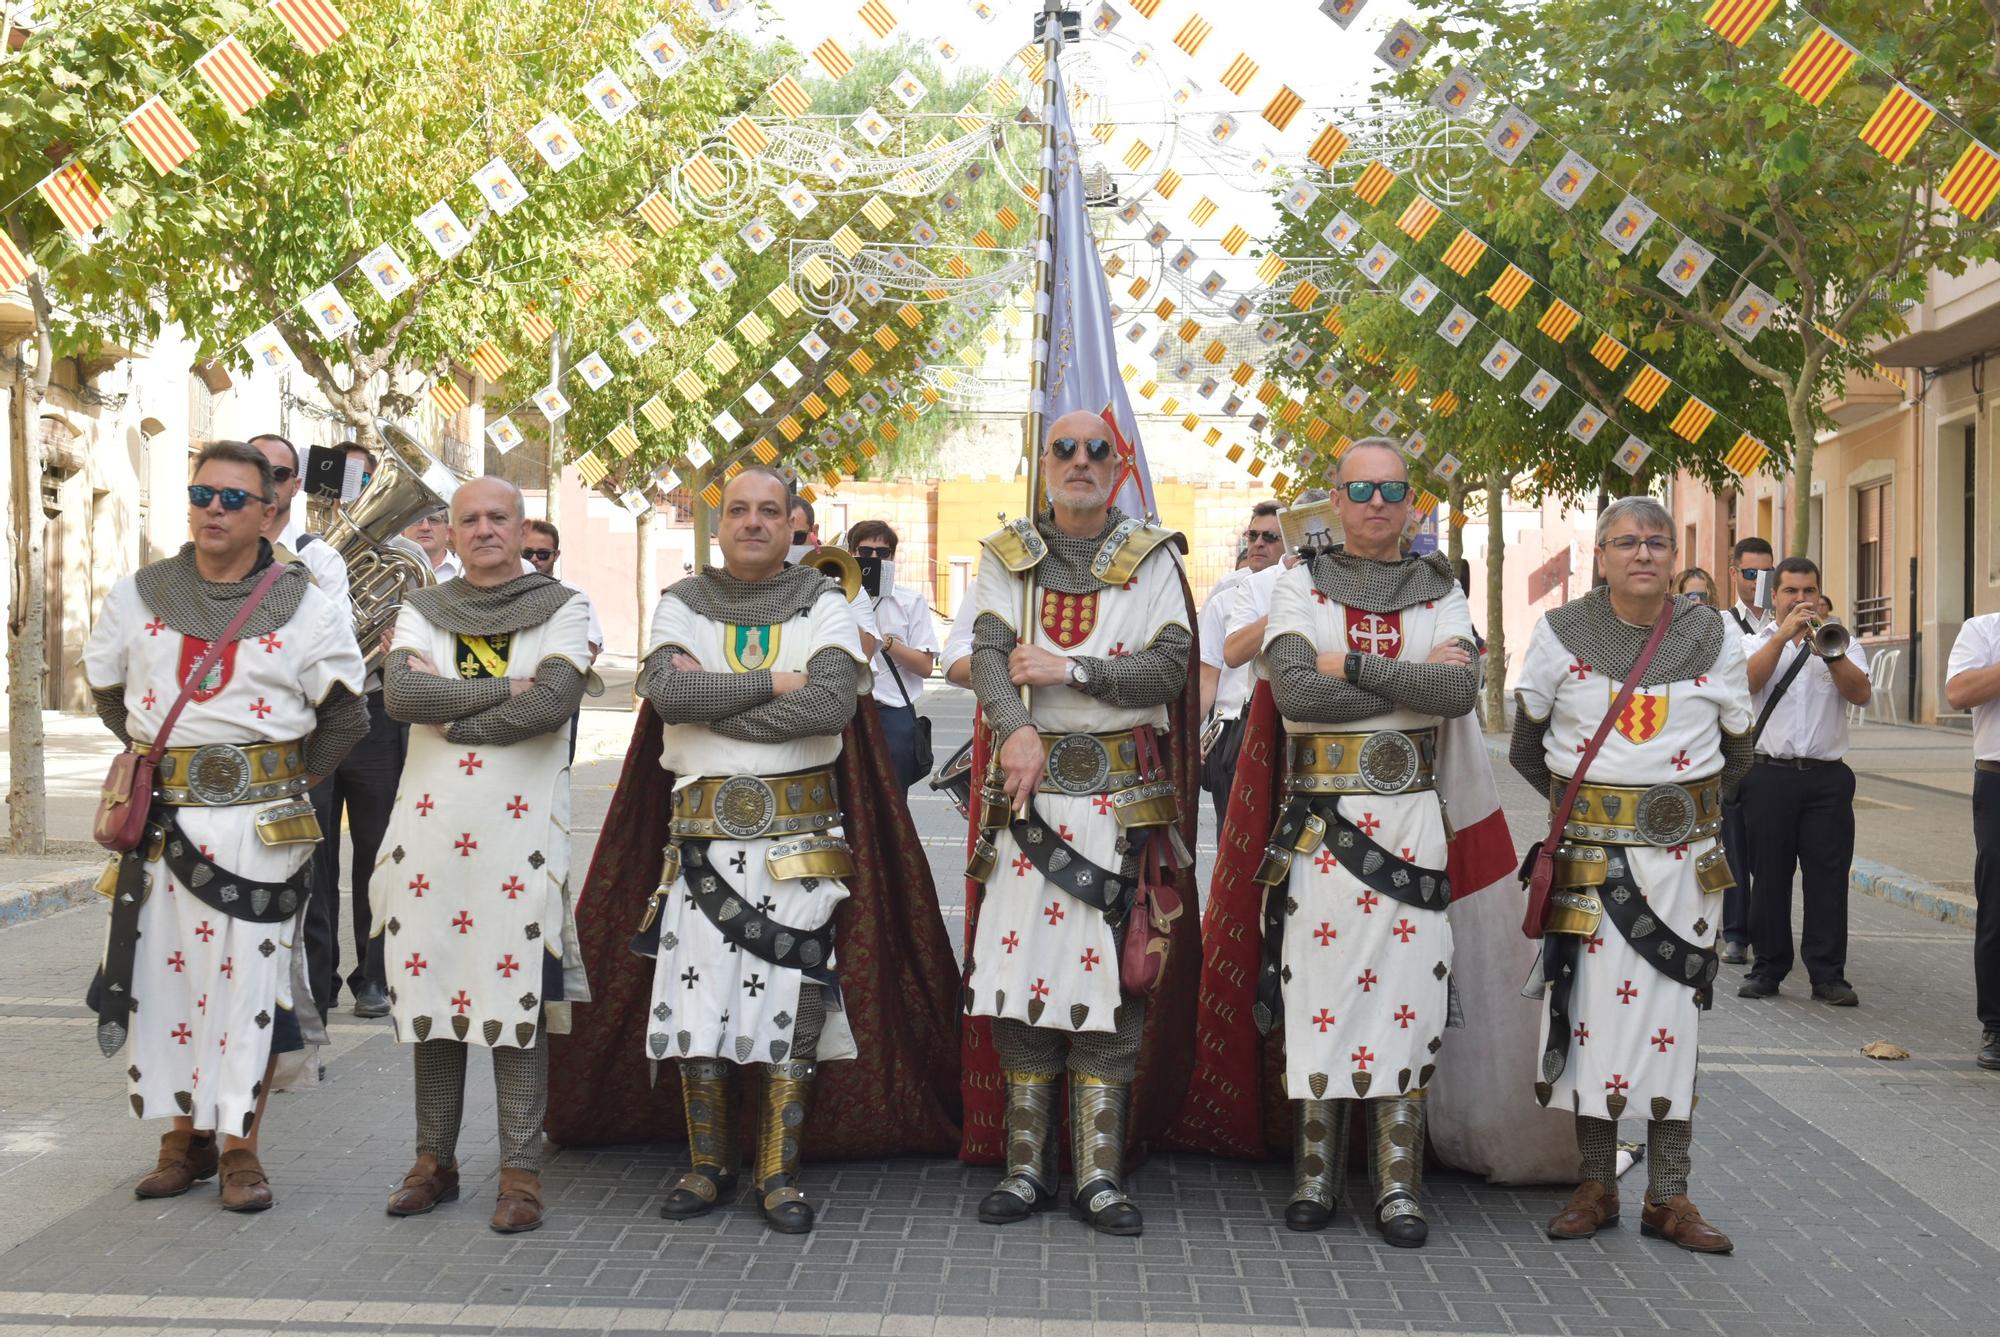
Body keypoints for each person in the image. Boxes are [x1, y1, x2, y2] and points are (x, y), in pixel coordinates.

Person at [82, 441, 369, 1210]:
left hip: (261, 829)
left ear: (269, 509)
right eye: (203, 493)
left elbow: (347, 712)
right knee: (162, 982)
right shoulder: (139, 594)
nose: (215, 508)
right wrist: (159, 759)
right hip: (164, 829)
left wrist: (282, 780)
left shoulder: (306, 602)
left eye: (234, 498)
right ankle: (181, 1140)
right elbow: (111, 693)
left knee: (251, 986)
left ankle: (242, 1148)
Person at [962, 409, 1199, 1238]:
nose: (1080, 461)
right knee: (1021, 977)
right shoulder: (1007, 556)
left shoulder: (1151, 559)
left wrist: (1073, 670)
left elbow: (1168, 667)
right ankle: (1025, 1170)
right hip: (1030, 798)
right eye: (1064, 449)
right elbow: (990, 652)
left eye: (1098, 450)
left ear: (1120, 467)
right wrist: (1016, 723)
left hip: (1121, 805)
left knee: (1116, 978)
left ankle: (1098, 1178)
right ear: (1044, 462)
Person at [635, 469, 881, 1233]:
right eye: (737, 510)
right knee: (697, 1006)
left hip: (798, 842)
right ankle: (707, 1164)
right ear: (719, 525)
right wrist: (778, 682)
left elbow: (832, 702)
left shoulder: (824, 601)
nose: (751, 522)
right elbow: (666, 694)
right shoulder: (683, 601)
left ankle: (778, 1173)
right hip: (703, 843)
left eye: (767, 511)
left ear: (793, 526)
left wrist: (717, 702)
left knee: (792, 1006)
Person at [1249, 441, 1481, 1246]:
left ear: (1410, 500)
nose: (1376, 502)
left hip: (1412, 826)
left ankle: (1397, 1187)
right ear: (1338, 501)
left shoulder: (1439, 584)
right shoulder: (1298, 580)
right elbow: (1292, 694)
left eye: (1390, 489)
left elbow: (1457, 691)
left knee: (1406, 998)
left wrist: (1344, 658)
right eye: (1360, 488)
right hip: (1324, 826)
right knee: (1321, 991)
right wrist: (1407, 672)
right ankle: (1316, 1178)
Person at [1511, 496, 1753, 1255]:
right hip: (1592, 864)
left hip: (1683, 870)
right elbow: (1528, 747)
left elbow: (1738, 752)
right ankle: (1596, 1183)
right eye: (1627, 542)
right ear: (1602, 555)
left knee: (1673, 1028)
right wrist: (1596, 813)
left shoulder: (1709, 635)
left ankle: (1670, 1195)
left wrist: (1675, 817)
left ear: (1673, 554)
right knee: (1592, 1024)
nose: (1643, 553)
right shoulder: (1560, 633)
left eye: (1656, 541)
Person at [373, 477, 594, 1235]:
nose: (484, 529)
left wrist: (458, 712)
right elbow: (401, 696)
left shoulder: (564, 606)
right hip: (429, 837)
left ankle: (521, 1172)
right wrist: (507, 688)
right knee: (434, 997)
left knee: (516, 1005)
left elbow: (554, 700)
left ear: (522, 524)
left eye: (499, 516)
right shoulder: (425, 606)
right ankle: (432, 1160)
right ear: (453, 531)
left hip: (521, 840)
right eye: (469, 519)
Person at [246, 434, 399, 1024]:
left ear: (294, 484)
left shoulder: (322, 556)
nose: (269, 484)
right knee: (311, 859)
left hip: (363, 716)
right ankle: (315, 987)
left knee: (376, 852)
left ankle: (373, 976)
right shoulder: (208, 553)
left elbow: (327, 642)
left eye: (279, 474)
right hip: (287, 728)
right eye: (258, 471)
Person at [1736, 558, 1870, 1007]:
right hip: (1768, 775)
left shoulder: (1840, 641)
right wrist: (1781, 638)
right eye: (1791, 591)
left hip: (1826, 778)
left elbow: (1861, 694)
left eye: (1808, 591)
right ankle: (1768, 968)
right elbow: (1745, 686)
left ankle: (1828, 975)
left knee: (1827, 879)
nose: (1801, 600)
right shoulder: (1751, 642)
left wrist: (1828, 654)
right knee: (1769, 876)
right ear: (1774, 596)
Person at [1198, 503, 1284, 827]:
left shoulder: (1316, 591)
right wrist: (1193, 740)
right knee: (1234, 842)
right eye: (1253, 535)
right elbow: (1208, 677)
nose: (1259, 543)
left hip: (1289, 728)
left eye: (1270, 536)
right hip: (1234, 731)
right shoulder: (1224, 598)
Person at [1717, 537, 1775, 966]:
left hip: (1775, 751)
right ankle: (1735, 932)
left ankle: (1769, 931)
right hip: (1735, 747)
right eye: (1751, 573)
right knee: (1733, 845)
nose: (1759, 582)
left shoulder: (1789, 621)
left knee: (1771, 853)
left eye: (1767, 573)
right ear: (1734, 573)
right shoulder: (1720, 625)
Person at [848, 520, 941, 788]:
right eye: (865, 552)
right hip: (847, 711)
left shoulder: (910, 601)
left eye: (882, 553)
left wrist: (886, 642)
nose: (874, 558)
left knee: (893, 801)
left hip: (892, 713)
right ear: (852, 554)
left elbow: (925, 666)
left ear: (893, 557)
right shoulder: (836, 599)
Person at [1947, 614, 2000, 1069]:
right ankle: (1997, 1025)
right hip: (1998, 780)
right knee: (1998, 908)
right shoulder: (1983, 630)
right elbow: (1959, 693)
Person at [522, 519, 605, 767]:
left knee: (556, 772)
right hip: (511, 693)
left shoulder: (574, 595)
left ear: (556, 555)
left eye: (543, 554)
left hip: (557, 697)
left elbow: (589, 650)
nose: (535, 559)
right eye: (527, 553)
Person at [405, 508, 458, 580]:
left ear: (448, 533)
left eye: (434, 520)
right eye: (416, 519)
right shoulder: (388, 571)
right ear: (402, 532)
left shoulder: (467, 574)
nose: (425, 527)